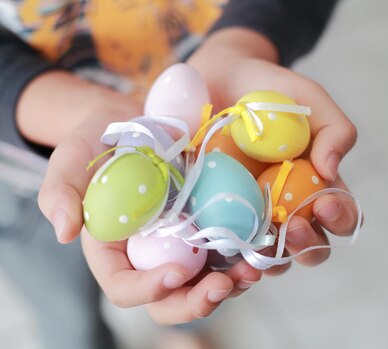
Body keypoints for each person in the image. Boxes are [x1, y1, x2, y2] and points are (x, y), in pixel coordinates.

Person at [0, 0, 359, 348]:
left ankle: (185, 333)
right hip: (24, 175)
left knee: (204, 271)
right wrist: (79, 111)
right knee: (67, 313)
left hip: (214, 107)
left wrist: (240, 43)